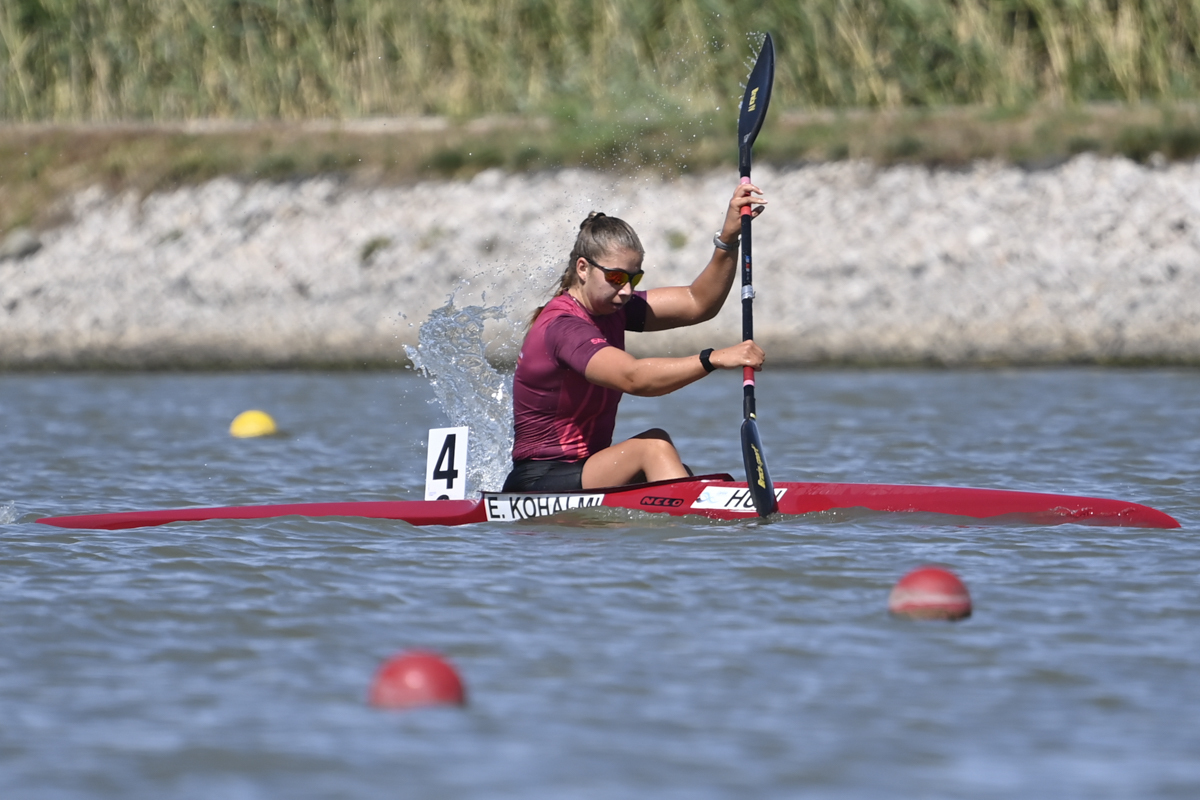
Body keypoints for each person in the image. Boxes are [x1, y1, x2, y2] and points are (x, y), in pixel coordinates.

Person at [501, 181, 767, 492]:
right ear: (583, 268)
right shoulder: (563, 327)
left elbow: (698, 302)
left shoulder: (613, 307)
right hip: (539, 481)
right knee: (652, 447)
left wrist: (728, 238)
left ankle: (701, 516)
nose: (626, 290)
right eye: (615, 277)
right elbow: (634, 378)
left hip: (587, 472)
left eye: (634, 277)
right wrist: (712, 359)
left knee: (679, 470)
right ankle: (698, 529)